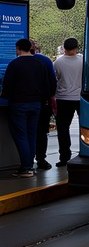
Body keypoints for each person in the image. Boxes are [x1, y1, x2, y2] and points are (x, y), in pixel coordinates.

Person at [2, 38, 56, 177]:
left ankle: (26, 168)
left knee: (21, 135)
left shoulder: (14, 64)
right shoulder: (40, 63)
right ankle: (30, 165)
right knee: (32, 134)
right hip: (36, 104)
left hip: (19, 104)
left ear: (18, 48)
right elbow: (47, 85)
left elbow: (7, 85)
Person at [53, 37, 83, 167]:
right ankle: (86, 152)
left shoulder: (57, 62)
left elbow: (55, 80)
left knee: (63, 129)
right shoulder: (83, 60)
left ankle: (64, 157)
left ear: (64, 48)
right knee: (86, 127)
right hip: (81, 98)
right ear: (77, 47)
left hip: (63, 98)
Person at [31, 39, 57, 170]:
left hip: (21, 102)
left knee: (26, 131)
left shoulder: (15, 61)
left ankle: (27, 160)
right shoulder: (45, 60)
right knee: (42, 132)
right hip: (43, 102)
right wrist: (50, 95)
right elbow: (53, 81)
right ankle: (41, 159)